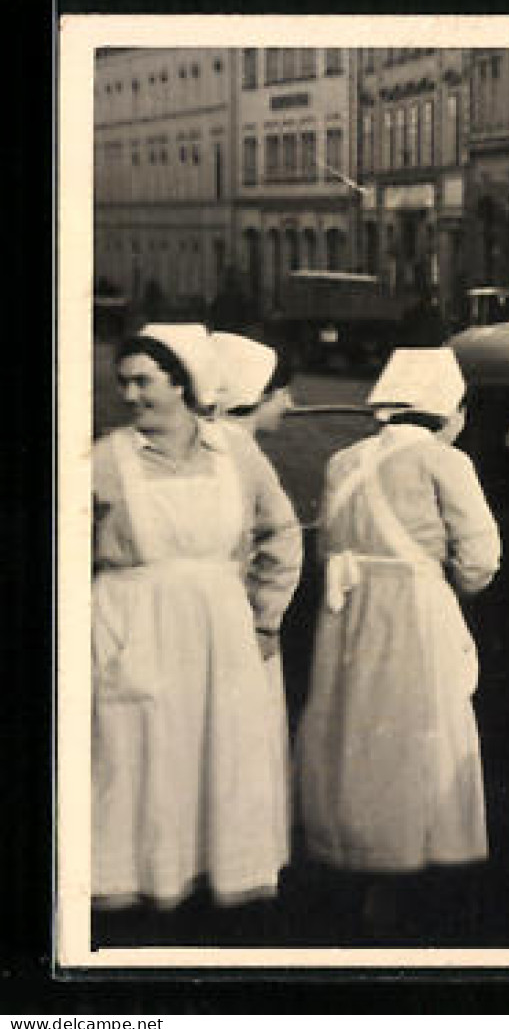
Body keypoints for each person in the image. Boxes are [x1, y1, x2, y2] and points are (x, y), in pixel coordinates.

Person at [91, 324, 301, 936]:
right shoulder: (103, 459)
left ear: (182, 384)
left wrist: (265, 618)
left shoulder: (234, 452)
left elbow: (281, 534)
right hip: (130, 623)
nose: (130, 395)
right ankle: (138, 893)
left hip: (220, 629)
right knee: (138, 757)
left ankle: (218, 889)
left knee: (219, 752)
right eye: (122, 382)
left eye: (144, 381)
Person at [295, 347, 501, 939]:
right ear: (449, 410)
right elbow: (481, 555)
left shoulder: (343, 461)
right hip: (413, 606)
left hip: (349, 609)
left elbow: (327, 543)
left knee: (353, 728)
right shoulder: (446, 462)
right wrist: (459, 585)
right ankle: (416, 864)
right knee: (419, 728)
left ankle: (354, 853)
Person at [211, 332, 303, 858]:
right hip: (240, 623)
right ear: (255, 395)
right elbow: (284, 540)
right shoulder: (242, 451)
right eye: (281, 393)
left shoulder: (201, 442)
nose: (290, 404)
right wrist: (267, 619)